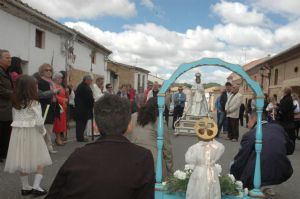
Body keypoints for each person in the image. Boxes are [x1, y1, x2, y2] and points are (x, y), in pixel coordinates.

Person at [46, 95, 155, 199]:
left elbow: (55, 193)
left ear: (95, 126)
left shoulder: (78, 156)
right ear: (129, 125)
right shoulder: (143, 157)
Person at [4, 75, 52, 197]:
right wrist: (43, 132)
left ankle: (25, 187)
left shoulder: (15, 103)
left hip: (19, 134)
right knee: (40, 158)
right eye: (35, 85)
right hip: (33, 133)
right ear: (30, 88)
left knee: (23, 159)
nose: (37, 87)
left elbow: (15, 118)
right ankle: (36, 186)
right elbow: (40, 122)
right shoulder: (34, 103)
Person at [230, 111, 293, 195]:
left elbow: (241, 159)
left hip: (259, 173)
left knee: (239, 162)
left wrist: (233, 175)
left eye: (248, 121)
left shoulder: (250, 135)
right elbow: (290, 149)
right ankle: (267, 185)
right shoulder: (278, 128)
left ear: (253, 119)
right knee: (268, 154)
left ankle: (257, 186)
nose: (248, 125)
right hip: (283, 170)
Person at [128, 97, 173, 179]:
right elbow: (167, 149)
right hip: (153, 163)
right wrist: (170, 172)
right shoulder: (160, 122)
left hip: (132, 160)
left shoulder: (133, 117)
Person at [185, 118, 224, 199]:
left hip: (199, 171)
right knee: (212, 190)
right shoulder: (217, 147)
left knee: (196, 189)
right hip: (212, 171)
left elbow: (188, 159)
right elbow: (222, 148)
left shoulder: (194, 148)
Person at [37, 64, 60, 154]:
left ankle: (48, 146)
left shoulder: (51, 82)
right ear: (42, 71)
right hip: (43, 107)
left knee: (49, 128)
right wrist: (53, 92)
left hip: (52, 107)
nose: (49, 71)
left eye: (50, 70)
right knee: (43, 128)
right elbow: (40, 95)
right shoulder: (39, 81)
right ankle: (42, 148)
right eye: (46, 70)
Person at [0, 49, 13, 162]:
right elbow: (1, 90)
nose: (10, 59)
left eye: (10, 57)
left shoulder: (6, 72)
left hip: (7, 109)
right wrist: (15, 94)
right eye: (7, 57)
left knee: (5, 133)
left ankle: (3, 155)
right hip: (2, 109)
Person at [75, 75, 94, 142]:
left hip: (80, 108)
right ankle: (80, 138)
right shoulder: (85, 88)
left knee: (80, 124)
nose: (91, 82)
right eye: (90, 80)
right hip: (83, 109)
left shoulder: (81, 86)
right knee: (81, 124)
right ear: (86, 80)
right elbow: (89, 99)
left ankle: (80, 137)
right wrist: (92, 104)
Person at [277, 87, 295, 152]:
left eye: (283, 91)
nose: (282, 92)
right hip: (285, 120)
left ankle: (286, 145)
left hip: (286, 120)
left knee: (287, 133)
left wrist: (279, 110)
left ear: (285, 92)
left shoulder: (288, 99)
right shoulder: (287, 98)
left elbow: (284, 109)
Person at [52, 72, 68, 145]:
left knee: (62, 123)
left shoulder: (61, 86)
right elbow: (54, 96)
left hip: (63, 108)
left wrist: (66, 96)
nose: (61, 79)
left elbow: (65, 96)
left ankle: (60, 138)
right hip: (57, 107)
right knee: (58, 123)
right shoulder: (53, 85)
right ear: (55, 78)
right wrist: (63, 100)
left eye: (61, 78)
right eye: (60, 78)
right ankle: (58, 139)